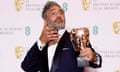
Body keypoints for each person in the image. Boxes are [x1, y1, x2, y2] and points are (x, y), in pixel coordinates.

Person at [21, 1, 102, 72]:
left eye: (61, 12)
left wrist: (94, 58)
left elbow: (89, 60)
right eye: (53, 13)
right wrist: (41, 42)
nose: (59, 15)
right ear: (45, 19)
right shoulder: (41, 46)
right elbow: (27, 67)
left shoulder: (76, 37)